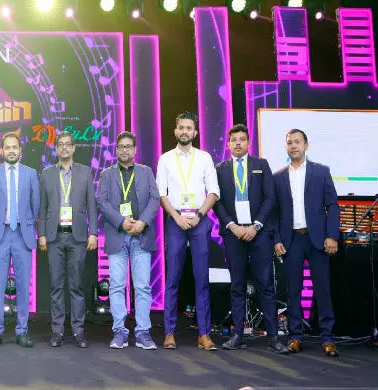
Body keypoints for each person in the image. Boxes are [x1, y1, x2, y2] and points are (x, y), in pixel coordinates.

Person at [214, 124, 289, 354]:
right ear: (228, 144)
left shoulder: (261, 165)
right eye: (234, 140)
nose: (238, 143)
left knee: (265, 284)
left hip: (260, 234)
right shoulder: (220, 169)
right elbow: (216, 201)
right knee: (237, 285)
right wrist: (232, 226)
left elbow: (270, 198)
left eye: (242, 139)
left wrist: (256, 226)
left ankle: (273, 337)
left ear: (248, 143)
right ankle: (238, 335)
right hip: (233, 233)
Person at [273, 129, 340, 357]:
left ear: (306, 145)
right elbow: (274, 213)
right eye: (289, 143)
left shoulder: (321, 172)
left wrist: (332, 235)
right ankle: (295, 337)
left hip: (318, 239)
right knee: (293, 291)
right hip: (291, 240)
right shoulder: (278, 177)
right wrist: (277, 239)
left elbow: (332, 205)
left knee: (323, 289)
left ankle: (328, 338)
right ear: (286, 147)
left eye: (297, 142)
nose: (293, 146)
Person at [156, 112, 220, 350]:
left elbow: (213, 192)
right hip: (176, 221)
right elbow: (161, 193)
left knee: (202, 279)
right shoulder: (165, 159)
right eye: (181, 127)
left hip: (199, 220)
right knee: (172, 278)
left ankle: (204, 334)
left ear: (195, 132)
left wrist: (199, 216)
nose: (184, 131)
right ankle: (169, 332)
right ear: (175, 131)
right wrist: (177, 217)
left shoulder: (204, 158)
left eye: (188, 128)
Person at [96, 131, 160, 350]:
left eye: (128, 146)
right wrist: (121, 221)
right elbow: (102, 202)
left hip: (141, 235)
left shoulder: (146, 171)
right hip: (117, 235)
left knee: (142, 287)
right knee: (116, 286)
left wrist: (142, 222)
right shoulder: (106, 174)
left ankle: (142, 332)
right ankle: (120, 332)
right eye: (121, 146)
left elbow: (155, 199)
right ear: (116, 149)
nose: (124, 150)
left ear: (134, 150)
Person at [38, 131, 97, 349]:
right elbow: (42, 207)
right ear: (56, 149)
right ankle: (57, 332)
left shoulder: (85, 172)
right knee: (56, 286)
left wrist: (93, 232)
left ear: (73, 148)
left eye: (67, 144)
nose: (64, 147)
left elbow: (92, 205)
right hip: (54, 236)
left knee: (76, 286)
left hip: (78, 236)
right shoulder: (47, 173)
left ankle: (79, 332)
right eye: (60, 144)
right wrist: (41, 234)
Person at [0, 132, 40, 348]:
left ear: (20, 150)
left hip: (22, 235)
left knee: (23, 285)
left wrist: (25, 222)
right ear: (2, 151)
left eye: (14, 147)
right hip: (1, 234)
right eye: (7, 147)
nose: (11, 151)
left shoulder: (31, 173)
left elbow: (35, 204)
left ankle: (22, 331)